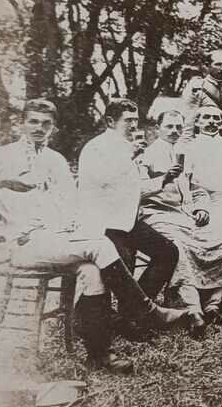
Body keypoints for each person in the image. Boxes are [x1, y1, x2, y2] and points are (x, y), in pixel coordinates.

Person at [0, 100, 164, 372]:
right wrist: (2, 182)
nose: (39, 128)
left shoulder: (56, 161)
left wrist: (71, 224)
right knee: (102, 246)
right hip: (22, 244)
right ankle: (148, 312)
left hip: (54, 241)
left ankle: (99, 354)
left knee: (92, 270)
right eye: (33, 121)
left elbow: (73, 204)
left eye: (46, 123)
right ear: (22, 123)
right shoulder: (1, 157)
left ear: (53, 128)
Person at [78, 99, 190, 328]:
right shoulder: (96, 147)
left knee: (168, 252)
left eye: (136, 120)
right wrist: (130, 156)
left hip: (128, 220)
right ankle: (129, 317)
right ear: (110, 121)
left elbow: (135, 188)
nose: (133, 125)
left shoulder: (127, 147)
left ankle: (133, 313)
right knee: (124, 260)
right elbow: (102, 182)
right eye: (128, 120)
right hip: (103, 223)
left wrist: (165, 179)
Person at [135, 110, 222, 332]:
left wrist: (201, 207)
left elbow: (196, 189)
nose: (174, 131)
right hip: (156, 215)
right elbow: (137, 191)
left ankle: (213, 305)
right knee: (178, 249)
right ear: (157, 128)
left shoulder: (185, 154)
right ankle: (191, 310)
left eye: (179, 127)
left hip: (186, 216)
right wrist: (164, 179)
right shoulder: (146, 154)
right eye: (169, 126)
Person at [183, 49, 222, 146]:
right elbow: (189, 122)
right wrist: (187, 147)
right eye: (218, 64)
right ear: (207, 65)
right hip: (205, 142)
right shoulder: (198, 87)